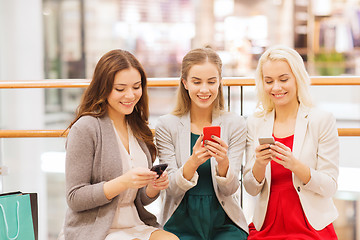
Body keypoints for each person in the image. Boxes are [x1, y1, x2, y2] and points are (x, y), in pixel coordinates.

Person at [62, 49, 179, 240]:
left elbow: (141, 199)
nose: (130, 95)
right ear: (103, 88)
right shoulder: (86, 128)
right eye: (120, 89)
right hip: (96, 229)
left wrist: (153, 187)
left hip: (136, 223)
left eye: (136, 86)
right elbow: (75, 197)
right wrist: (123, 182)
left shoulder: (137, 126)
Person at [243, 45, 339, 239]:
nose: (276, 87)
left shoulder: (321, 120)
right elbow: (251, 188)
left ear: (297, 78)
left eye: (283, 79)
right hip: (267, 224)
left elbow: (330, 186)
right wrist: (260, 164)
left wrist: (295, 165)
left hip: (310, 225)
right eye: (268, 81)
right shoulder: (254, 123)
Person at [155, 47, 249, 240]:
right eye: (197, 82)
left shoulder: (236, 124)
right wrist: (193, 162)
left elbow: (230, 189)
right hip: (180, 219)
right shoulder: (167, 125)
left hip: (224, 219)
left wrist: (223, 163)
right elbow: (171, 188)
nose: (204, 89)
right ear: (185, 83)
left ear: (220, 82)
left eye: (211, 82)